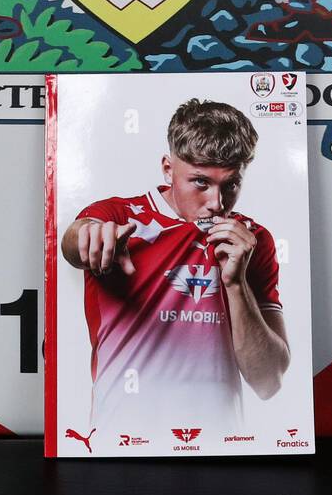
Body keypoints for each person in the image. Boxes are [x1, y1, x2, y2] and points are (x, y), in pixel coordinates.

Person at [61, 98, 289, 437]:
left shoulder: (252, 240)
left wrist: (237, 284)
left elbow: (268, 382)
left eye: (231, 184)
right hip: (123, 442)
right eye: (200, 182)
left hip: (220, 445)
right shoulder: (119, 217)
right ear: (168, 169)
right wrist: (90, 235)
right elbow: (74, 242)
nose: (217, 203)